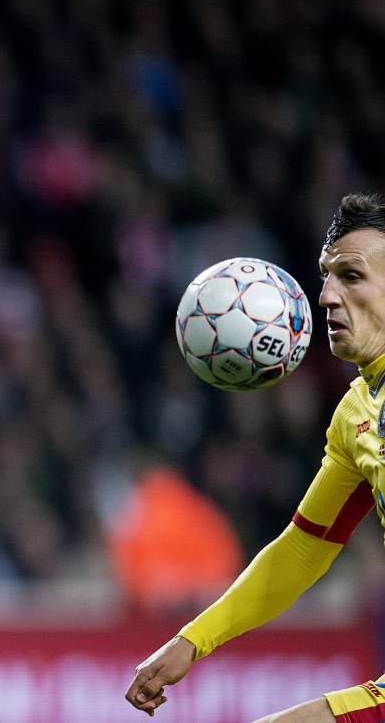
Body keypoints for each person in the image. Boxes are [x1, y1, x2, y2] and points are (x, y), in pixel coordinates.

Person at [125, 192, 385, 722]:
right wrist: (192, 639)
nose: (326, 296)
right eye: (326, 276)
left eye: (352, 276)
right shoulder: (356, 412)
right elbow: (305, 547)